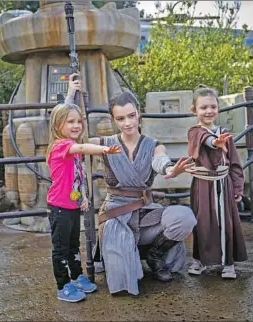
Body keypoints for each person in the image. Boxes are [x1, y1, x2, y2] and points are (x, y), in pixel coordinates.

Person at [67, 75, 197, 296]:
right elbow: (67, 132)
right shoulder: (104, 144)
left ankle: (156, 257)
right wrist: (71, 95)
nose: (127, 123)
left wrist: (169, 170)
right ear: (113, 120)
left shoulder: (153, 144)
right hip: (116, 215)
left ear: (138, 113)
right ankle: (123, 258)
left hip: (146, 214)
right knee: (122, 275)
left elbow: (160, 160)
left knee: (185, 217)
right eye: (120, 118)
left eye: (131, 116)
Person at [46, 102, 121, 302]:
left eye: (79, 121)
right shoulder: (62, 145)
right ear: (57, 124)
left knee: (73, 245)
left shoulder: (72, 148)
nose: (76, 125)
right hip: (59, 208)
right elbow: (81, 146)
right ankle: (63, 286)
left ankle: (76, 275)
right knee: (61, 248)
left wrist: (83, 197)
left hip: (72, 206)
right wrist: (103, 149)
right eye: (70, 121)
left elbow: (77, 177)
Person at [186, 86, 247, 279]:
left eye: (213, 106)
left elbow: (235, 162)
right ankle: (200, 260)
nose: (209, 111)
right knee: (202, 222)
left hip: (224, 184)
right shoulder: (194, 132)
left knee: (227, 223)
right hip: (203, 185)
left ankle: (228, 263)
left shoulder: (225, 133)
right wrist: (215, 143)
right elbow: (204, 140)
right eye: (203, 107)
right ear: (194, 110)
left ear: (218, 108)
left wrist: (238, 187)